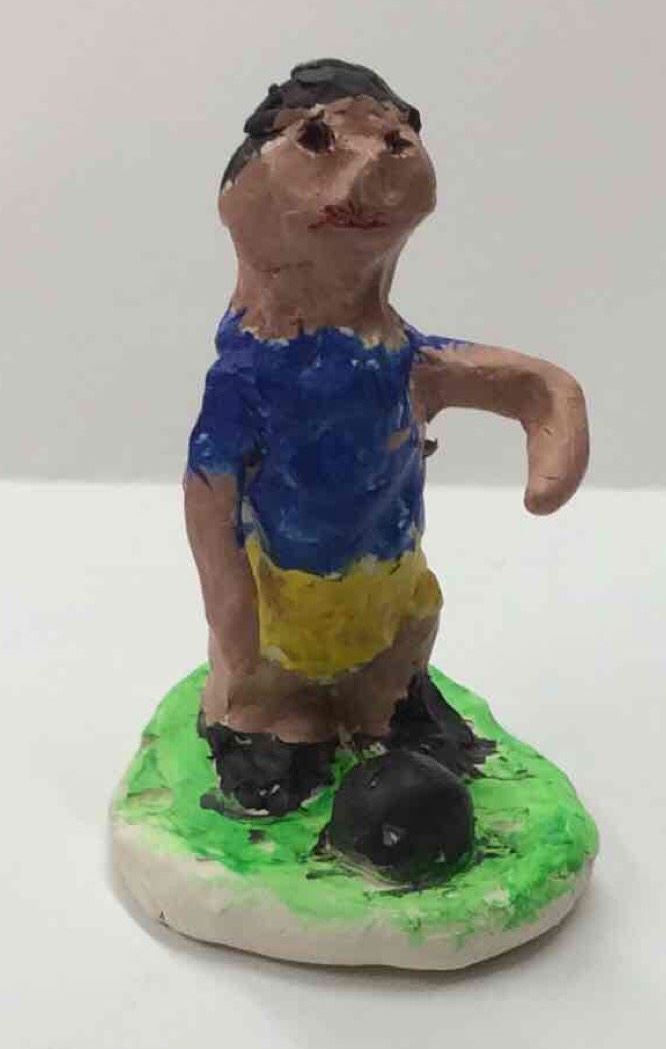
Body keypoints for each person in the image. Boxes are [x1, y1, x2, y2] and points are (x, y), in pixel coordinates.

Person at [184, 59, 589, 832]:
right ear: (245, 191)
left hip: (392, 600)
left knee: (396, 680)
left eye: (397, 139)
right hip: (281, 619)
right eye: (318, 140)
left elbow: (525, 384)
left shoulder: (403, 357)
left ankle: (385, 702)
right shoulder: (250, 375)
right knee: (280, 721)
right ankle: (270, 722)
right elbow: (209, 498)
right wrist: (234, 631)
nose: (375, 161)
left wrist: (553, 419)